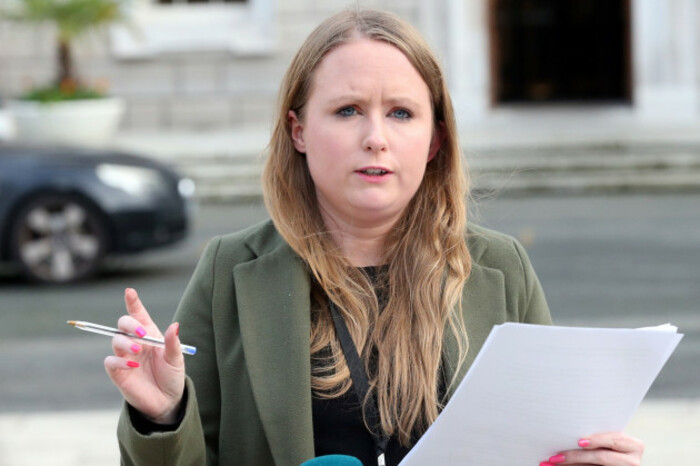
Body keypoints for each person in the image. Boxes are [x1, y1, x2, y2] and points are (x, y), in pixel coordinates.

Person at [104, 9, 645, 466]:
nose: (376, 138)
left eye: (402, 113)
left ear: (434, 140)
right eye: (347, 111)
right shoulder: (230, 270)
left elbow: (547, 446)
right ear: (298, 132)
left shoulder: (501, 268)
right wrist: (164, 415)